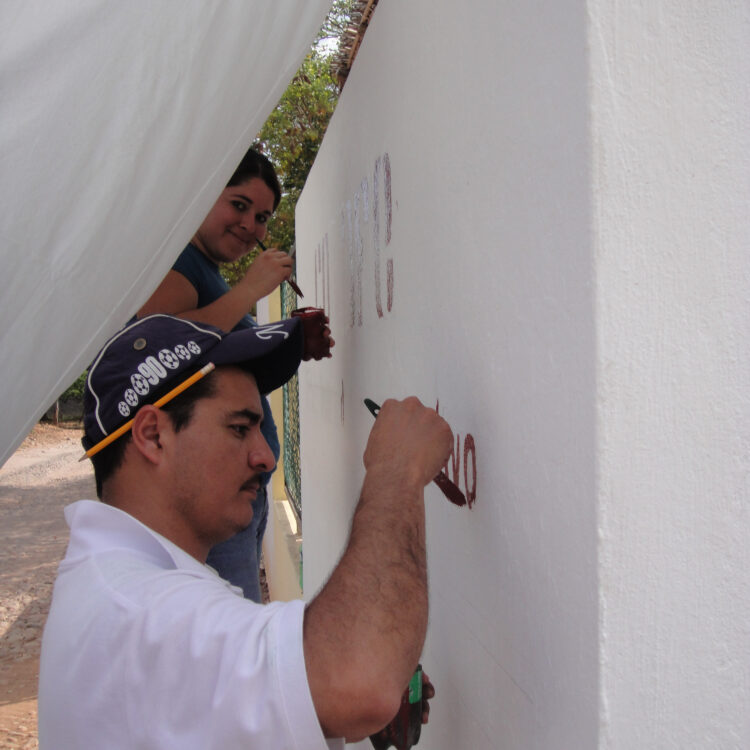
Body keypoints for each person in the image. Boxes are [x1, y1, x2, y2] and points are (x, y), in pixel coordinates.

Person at [38, 314, 450, 749]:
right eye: (239, 428)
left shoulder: (124, 583)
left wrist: (320, 711)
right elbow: (356, 679)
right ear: (153, 435)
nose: (267, 457)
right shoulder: (141, 612)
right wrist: (397, 469)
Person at [138, 147, 333, 602]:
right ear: (204, 194)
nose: (251, 226)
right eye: (239, 205)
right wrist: (250, 290)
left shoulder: (206, 272)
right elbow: (161, 354)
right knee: (228, 644)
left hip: (234, 495)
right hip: (204, 498)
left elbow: (215, 361)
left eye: (262, 217)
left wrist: (288, 341)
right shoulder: (178, 264)